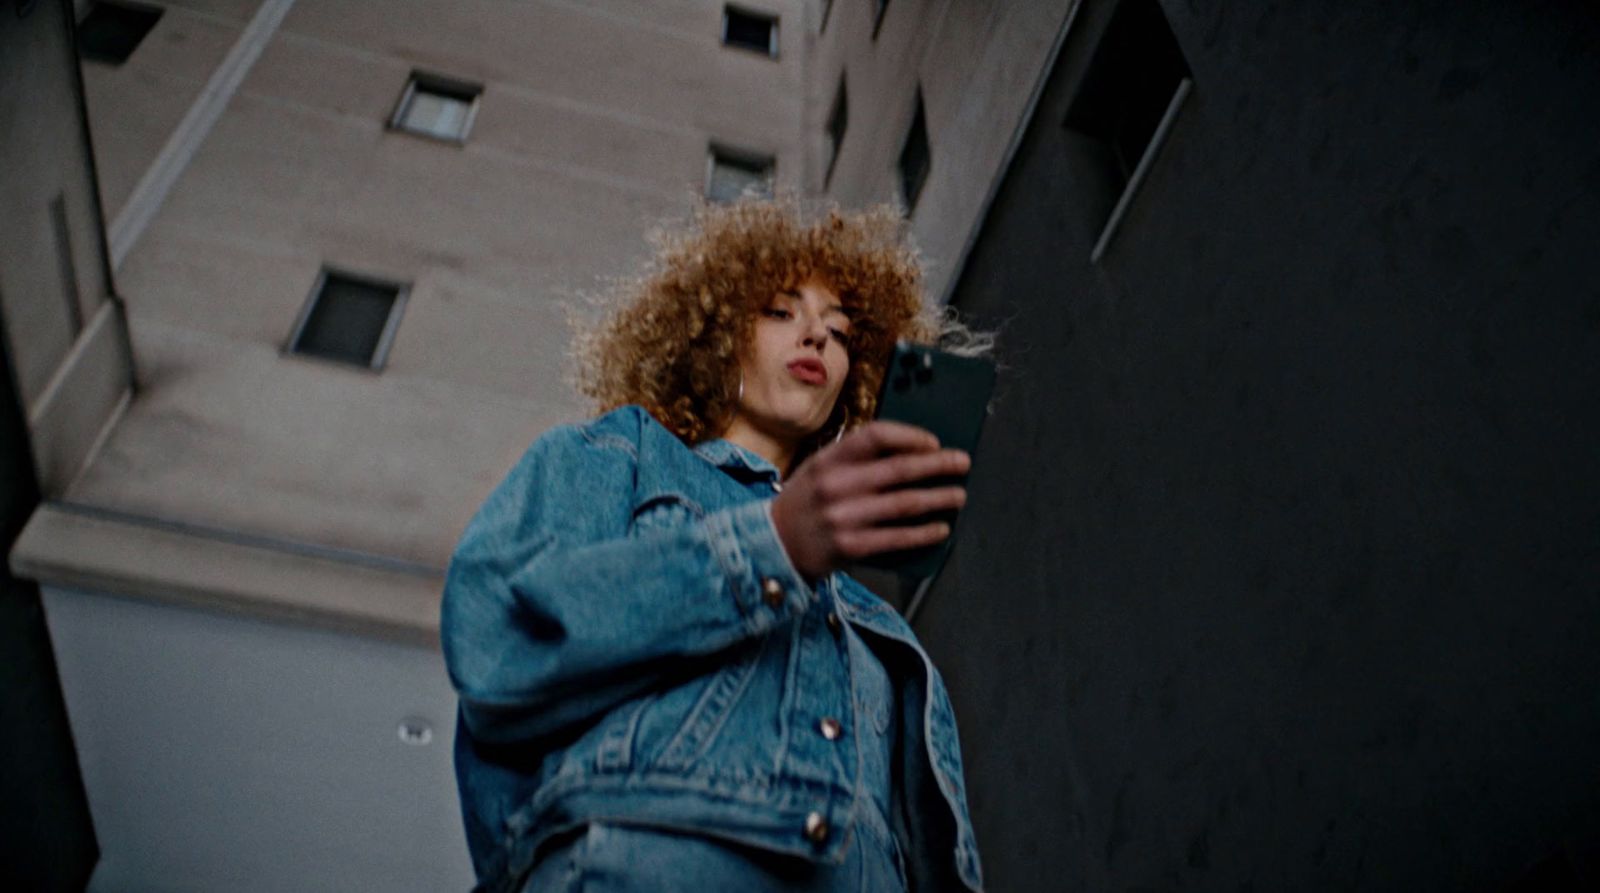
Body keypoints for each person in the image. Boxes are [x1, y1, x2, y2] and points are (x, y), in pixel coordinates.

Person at [441, 199, 989, 892]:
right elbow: (499, 648)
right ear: (714, 333)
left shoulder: (877, 623)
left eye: (841, 331)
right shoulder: (618, 454)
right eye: (781, 311)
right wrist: (774, 546)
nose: (817, 338)